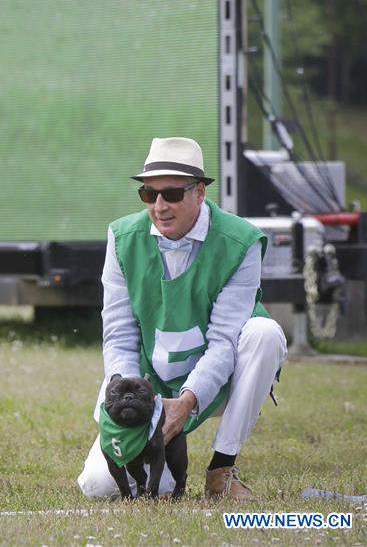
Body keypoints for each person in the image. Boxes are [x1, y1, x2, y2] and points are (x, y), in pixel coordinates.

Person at [77, 137, 287, 500]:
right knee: (101, 487)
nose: (159, 206)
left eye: (173, 194)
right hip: (146, 386)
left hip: (218, 382)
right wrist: (134, 399)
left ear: (200, 193)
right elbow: (118, 335)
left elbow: (224, 341)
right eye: (149, 194)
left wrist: (186, 402)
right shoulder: (121, 236)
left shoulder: (242, 241)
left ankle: (222, 469)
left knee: (265, 334)